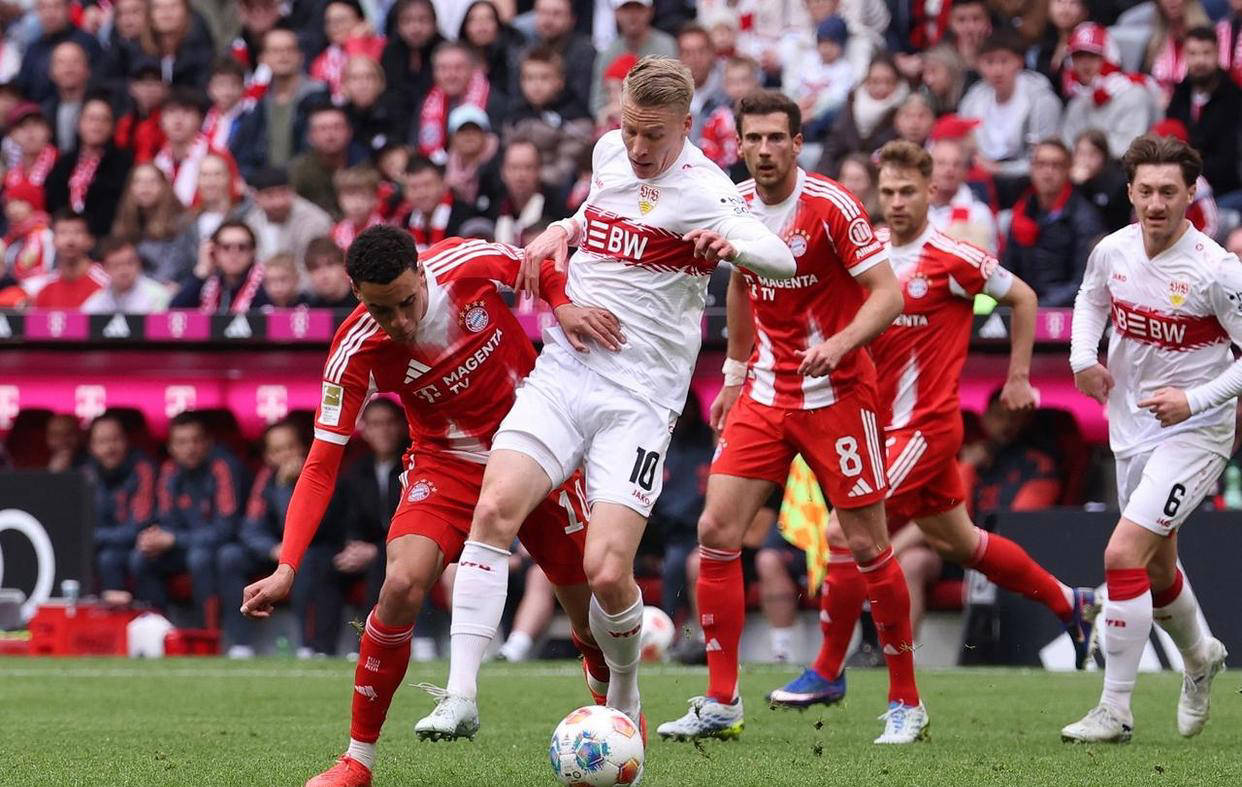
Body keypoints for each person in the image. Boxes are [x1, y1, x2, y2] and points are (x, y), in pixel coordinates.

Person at [419, 59, 795, 746]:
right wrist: (561, 229)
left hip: (639, 399)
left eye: (654, 135)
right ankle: (461, 694)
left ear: (686, 126)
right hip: (565, 372)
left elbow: (780, 258)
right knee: (494, 510)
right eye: (629, 129)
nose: (638, 147)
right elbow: (596, 212)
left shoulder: (708, 192)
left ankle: (624, 689)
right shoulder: (608, 153)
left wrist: (732, 247)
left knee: (607, 570)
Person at [238, 226, 623, 786]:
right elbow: (320, 464)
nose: (398, 322)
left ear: (421, 274)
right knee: (399, 584)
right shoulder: (355, 350)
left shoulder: (465, 262)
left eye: (406, 302)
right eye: (380, 309)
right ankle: (357, 761)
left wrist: (561, 305)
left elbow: (536, 267)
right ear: (355, 293)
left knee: (587, 616)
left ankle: (614, 717)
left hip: (536, 448)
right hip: (446, 464)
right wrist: (287, 565)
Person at [767, 139, 1096, 716]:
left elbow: (1023, 297)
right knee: (962, 543)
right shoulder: (866, 252)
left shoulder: (952, 257)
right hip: (877, 428)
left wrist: (1019, 377)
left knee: (844, 533)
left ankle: (827, 671)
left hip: (924, 428)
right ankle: (1071, 602)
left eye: (907, 192)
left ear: (930, 192)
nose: (896, 202)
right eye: (888, 192)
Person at [654, 89, 924, 744]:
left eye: (777, 137)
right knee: (716, 529)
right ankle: (722, 700)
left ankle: (905, 701)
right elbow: (743, 284)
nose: (766, 149)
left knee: (867, 546)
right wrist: (734, 376)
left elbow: (888, 295)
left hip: (839, 394)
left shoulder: (831, 206)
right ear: (740, 145)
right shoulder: (734, 205)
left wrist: (841, 343)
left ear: (798, 143)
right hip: (767, 393)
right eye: (754, 139)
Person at [1063, 133, 1234, 743]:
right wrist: (1083, 358)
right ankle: (1200, 657)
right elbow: (1090, 301)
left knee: (1121, 556)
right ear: (1131, 193)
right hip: (1132, 427)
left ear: (1190, 193)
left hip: (1197, 432)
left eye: (1168, 191)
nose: (1156, 203)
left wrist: (1195, 400)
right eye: (1145, 191)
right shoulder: (1112, 250)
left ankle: (1115, 709)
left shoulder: (1216, 270)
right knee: (1158, 569)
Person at [219, 419, 350, 658]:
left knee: (309, 560)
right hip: (276, 551)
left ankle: (307, 646)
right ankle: (239, 644)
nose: (286, 455)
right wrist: (273, 550)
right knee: (230, 556)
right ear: (268, 456)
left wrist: (286, 487)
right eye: (278, 450)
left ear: (304, 448)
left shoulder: (321, 474)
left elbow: (314, 528)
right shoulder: (267, 478)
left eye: (291, 447)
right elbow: (250, 528)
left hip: (314, 549)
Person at [130, 411, 247, 628]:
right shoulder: (169, 470)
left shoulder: (222, 467)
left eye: (196, 440)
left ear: (208, 442)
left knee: (201, 558)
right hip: (184, 545)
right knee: (141, 557)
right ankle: (158, 630)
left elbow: (226, 529)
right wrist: (153, 538)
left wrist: (174, 539)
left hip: (218, 546)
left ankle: (208, 634)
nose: (190, 448)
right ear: (171, 447)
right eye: (182, 442)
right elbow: (165, 520)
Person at [1002, 139, 1105, 307]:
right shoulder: (1022, 211)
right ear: (1032, 169)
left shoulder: (1084, 218)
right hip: (1025, 304)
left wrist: (1037, 306)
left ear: (1068, 170)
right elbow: (1007, 270)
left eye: (1056, 165)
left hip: (1064, 310)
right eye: (1041, 164)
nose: (1047, 172)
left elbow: (1084, 281)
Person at [958, 30, 1062, 179]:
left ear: (1019, 62)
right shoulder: (973, 98)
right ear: (979, 65)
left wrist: (1000, 170)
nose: (997, 71)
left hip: (1027, 178)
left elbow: (1046, 156)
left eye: (1004, 61)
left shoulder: (1041, 99)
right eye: (990, 62)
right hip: (982, 175)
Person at [338, 398, 408, 612]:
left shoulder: (414, 465)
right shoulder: (357, 471)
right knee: (322, 563)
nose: (383, 430)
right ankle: (318, 636)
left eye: (390, 422)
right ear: (365, 430)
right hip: (367, 547)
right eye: (376, 424)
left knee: (383, 564)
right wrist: (354, 546)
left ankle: (369, 631)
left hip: (406, 548)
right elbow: (350, 518)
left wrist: (376, 550)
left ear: (402, 426)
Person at [232, 28, 331, 178]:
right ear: (263, 58)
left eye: (289, 49)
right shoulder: (258, 104)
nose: (283, 56)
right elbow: (244, 153)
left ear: (301, 56)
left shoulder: (318, 96)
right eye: (276, 51)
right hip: (266, 185)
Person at [1060, 23, 1161, 160]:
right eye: (1078, 57)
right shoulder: (1077, 102)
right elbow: (1066, 148)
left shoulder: (1135, 95)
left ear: (1110, 57)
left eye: (1093, 56)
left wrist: (1087, 153)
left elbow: (1129, 149)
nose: (1085, 63)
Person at [86, 412, 157, 606]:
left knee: (130, 559)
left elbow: (139, 528)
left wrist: (94, 537)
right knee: (105, 558)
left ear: (126, 441)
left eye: (115, 440)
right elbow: (79, 527)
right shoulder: (86, 474)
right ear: (92, 447)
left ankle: (150, 615)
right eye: (102, 442)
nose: (110, 448)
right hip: (106, 548)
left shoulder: (143, 469)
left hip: (139, 546)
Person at [1166, 26, 1242, 206]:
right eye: (1193, 54)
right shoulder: (1181, 93)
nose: (1199, 61)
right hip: (1181, 185)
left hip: (1224, 190)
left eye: (1206, 53)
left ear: (1217, 54)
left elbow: (1229, 160)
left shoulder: (1233, 97)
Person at [503, 45, 595, 191]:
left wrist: (528, 178)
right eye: (529, 78)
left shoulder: (576, 119)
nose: (536, 85)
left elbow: (565, 170)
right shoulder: (515, 116)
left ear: (560, 81)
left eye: (544, 77)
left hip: (557, 194)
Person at [44, 95, 134, 238]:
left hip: (104, 238)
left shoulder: (124, 162)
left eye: (104, 120)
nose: (97, 125)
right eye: (91, 119)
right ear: (79, 124)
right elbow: (52, 201)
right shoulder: (64, 163)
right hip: (63, 236)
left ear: (112, 127)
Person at [815, 56, 907, 177]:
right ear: (866, 82)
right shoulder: (852, 104)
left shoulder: (904, 110)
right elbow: (831, 149)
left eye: (888, 82)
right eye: (875, 81)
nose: (882, 88)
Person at [153, 88, 239, 208]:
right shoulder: (156, 162)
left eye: (187, 112)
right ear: (161, 120)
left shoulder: (218, 157)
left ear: (200, 119)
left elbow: (232, 199)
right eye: (171, 112)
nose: (178, 120)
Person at [589, 0, 678, 116]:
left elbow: (672, 94)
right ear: (616, 13)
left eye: (638, 9)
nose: (632, 16)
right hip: (615, 120)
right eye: (626, 9)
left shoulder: (666, 46)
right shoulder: (608, 52)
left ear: (650, 12)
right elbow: (597, 101)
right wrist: (607, 113)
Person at [112, 164, 193, 283]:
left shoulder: (180, 222)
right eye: (139, 181)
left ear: (164, 187)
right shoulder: (125, 222)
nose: (145, 187)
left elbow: (171, 270)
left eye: (152, 181)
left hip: (164, 287)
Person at [245, 167, 336, 273]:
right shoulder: (251, 221)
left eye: (283, 193)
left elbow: (312, 268)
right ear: (256, 197)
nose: (278, 202)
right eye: (270, 195)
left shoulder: (314, 220)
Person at [14, 0, 102, 105]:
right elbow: (23, 86)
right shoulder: (33, 49)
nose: (50, 13)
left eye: (56, 6)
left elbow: (99, 82)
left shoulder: (87, 42)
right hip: (37, 111)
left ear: (69, 8)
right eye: (44, 7)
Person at [171, 220, 270, 312]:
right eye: (226, 247)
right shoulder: (205, 283)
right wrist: (202, 270)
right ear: (213, 251)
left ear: (253, 252)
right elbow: (174, 314)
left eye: (242, 247)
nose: (234, 254)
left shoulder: (267, 282)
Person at [290, 103, 365, 218]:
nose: (330, 135)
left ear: (349, 132)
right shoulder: (298, 171)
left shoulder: (364, 164)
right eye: (322, 129)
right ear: (310, 136)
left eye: (337, 127)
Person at [489, 140, 568, 245]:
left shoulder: (558, 207)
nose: (520, 175)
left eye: (528, 167)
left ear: (539, 170)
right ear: (503, 172)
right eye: (514, 168)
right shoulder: (492, 204)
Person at [928, 137, 998, 253]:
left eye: (956, 164)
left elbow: (985, 259)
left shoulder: (978, 213)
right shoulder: (915, 208)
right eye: (941, 163)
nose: (949, 169)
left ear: (965, 171)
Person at [523, 0, 596, 110]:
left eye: (557, 14)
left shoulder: (585, 52)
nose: (548, 20)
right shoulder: (526, 51)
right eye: (543, 12)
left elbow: (583, 100)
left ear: (572, 19)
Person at [28, 210, 108, 309]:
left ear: (90, 241)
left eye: (77, 232)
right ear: (53, 241)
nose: (70, 241)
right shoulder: (43, 289)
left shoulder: (107, 285)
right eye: (63, 233)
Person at [396, 156, 475, 250]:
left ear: (442, 185)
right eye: (414, 187)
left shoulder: (465, 216)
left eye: (427, 185)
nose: (421, 194)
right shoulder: (407, 222)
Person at [82, 236, 171, 313]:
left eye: (130, 263)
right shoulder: (96, 301)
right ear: (105, 269)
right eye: (116, 265)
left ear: (139, 264)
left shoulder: (158, 296)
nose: (124, 270)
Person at [138, 0, 215, 88]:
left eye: (173, 6)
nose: (166, 12)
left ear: (186, 12)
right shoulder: (135, 53)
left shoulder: (201, 54)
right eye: (158, 7)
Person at [1070, 129, 1132, 232]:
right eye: (1081, 153)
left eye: (1092, 154)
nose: (1085, 160)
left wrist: (1081, 186)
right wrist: (1075, 184)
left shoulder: (1117, 183)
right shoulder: (1069, 180)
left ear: (1104, 156)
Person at [4, 103, 57, 210]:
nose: (30, 131)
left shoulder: (61, 164)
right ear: (12, 135)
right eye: (23, 126)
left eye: (36, 124)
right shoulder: (9, 175)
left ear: (49, 131)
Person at [42, 41, 91, 152]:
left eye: (75, 61)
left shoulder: (102, 107)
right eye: (61, 62)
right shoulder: (45, 112)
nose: (68, 68)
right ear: (51, 72)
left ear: (87, 69)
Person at [332, 167, 386, 251]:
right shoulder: (336, 233)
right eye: (350, 196)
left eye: (364, 197)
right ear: (339, 199)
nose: (356, 205)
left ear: (375, 199)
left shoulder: (385, 233)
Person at [203, 57, 250, 154]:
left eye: (234, 85)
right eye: (221, 85)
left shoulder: (248, 118)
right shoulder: (205, 117)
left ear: (243, 88)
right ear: (209, 88)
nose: (227, 92)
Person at [304, 237, 360, 308]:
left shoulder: (363, 302)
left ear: (343, 266)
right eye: (315, 268)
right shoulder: (311, 309)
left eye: (330, 264)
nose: (323, 274)